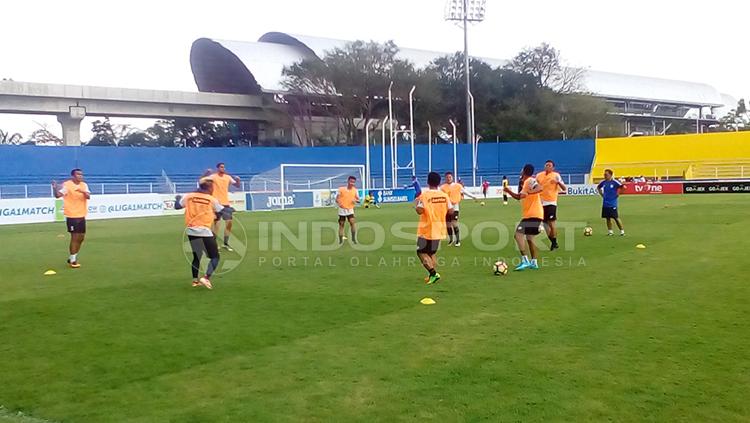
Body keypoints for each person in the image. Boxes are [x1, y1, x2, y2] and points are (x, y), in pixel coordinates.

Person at [175, 177, 224, 289]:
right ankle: (206, 278)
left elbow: (177, 206)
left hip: (191, 231)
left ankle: (195, 281)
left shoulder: (189, 196)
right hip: (204, 231)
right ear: (209, 187)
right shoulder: (211, 199)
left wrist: (177, 199)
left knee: (197, 256)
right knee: (215, 257)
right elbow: (221, 212)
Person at [504, 164, 544, 271]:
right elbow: (519, 197)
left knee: (518, 235)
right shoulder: (526, 182)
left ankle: (525, 260)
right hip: (534, 214)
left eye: (522, 170)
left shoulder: (529, 180)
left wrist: (508, 191)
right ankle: (534, 262)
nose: (520, 171)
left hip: (532, 214)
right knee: (530, 238)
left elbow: (540, 188)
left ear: (524, 171)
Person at [416, 172, 453, 285]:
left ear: (428, 182)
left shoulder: (425, 195)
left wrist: (417, 205)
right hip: (439, 228)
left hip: (427, 229)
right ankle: (431, 275)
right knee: (431, 253)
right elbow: (451, 210)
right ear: (439, 182)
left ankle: (433, 273)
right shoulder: (444, 195)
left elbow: (420, 211)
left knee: (421, 252)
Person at [52, 169, 91, 268]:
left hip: (81, 214)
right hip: (72, 215)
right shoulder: (67, 185)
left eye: (81, 174)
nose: (80, 176)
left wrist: (82, 191)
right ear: (73, 176)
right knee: (74, 237)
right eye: (78, 174)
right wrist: (55, 187)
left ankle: (72, 257)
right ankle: (73, 261)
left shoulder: (84, 185)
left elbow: (88, 196)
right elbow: (58, 195)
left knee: (81, 237)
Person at [203, 163, 241, 251]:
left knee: (229, 223)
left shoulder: (227, 177)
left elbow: (237, 185)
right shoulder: (213, 176)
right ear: (217, 168)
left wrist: (238, 180)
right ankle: (213, 244)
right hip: (216, 203)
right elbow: (202, 180)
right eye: (221, 167)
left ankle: (226, 244)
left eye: (224, 167)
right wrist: (206, 173)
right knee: (217, 225)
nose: (223, 168)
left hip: (226, 204)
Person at [536, 160, 567, 251]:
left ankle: (554, 243)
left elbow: (564, 188)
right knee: (545, 224)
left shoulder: (556, 175)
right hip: (540, 202)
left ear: (553, 167)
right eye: (546, 165)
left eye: (549, 165)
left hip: (551, 202)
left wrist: (558, 182)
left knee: (551, 222)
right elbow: (535, 186)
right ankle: (554, 242)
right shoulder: (539, 175)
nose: (547, 167)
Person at [440, 172, 476, 247]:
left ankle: (458, 240)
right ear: (445, 178)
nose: (448, 178)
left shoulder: (457, 186)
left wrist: (473, 196)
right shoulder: (442, 187)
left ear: (452, 178)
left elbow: (465, 192)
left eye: (450, 177)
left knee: (454, 223)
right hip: (446, 208)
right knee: (448, 225)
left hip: (455, 207)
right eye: (447, 177)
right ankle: (451, 240)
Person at [597, 169, 625, 236]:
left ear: (610, 175)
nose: (604, 176)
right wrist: (602, 194)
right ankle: (610, 231)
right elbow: (598, 187)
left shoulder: (615, 182)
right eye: (604, 174)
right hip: (605, 203)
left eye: (606, 174)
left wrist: (618, 194)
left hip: (612, 203)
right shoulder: (603, 182)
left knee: (616, 217)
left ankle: (622, 231)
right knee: (607, 218)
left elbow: (623, 187)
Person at [337, 175, 360, 244]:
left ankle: (353, 238)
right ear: (348, 181)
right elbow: (337, 199)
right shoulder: (341, 189)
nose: (352, 183)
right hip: (342, 210)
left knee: (352, 222)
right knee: (341, 225)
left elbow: (358, 200)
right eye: (351, 181)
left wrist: (355, 201)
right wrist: (339, 203)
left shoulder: (355, 190)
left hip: (350, 209)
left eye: (353, 182)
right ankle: (340, 240)